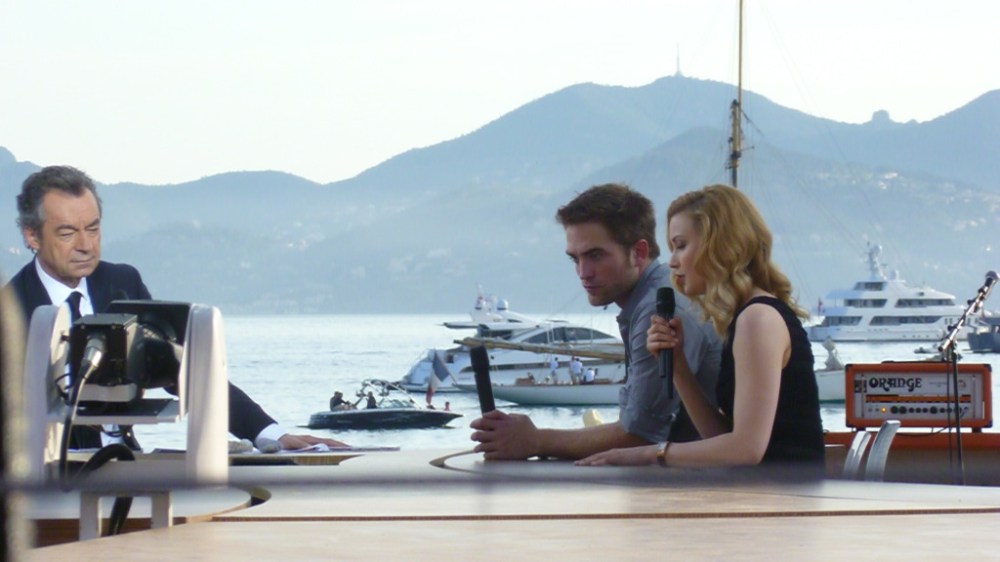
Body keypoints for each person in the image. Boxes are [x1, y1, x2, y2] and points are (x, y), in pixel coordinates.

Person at [5, 165, 347, 451]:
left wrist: (270, 434)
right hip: (41, 481)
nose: (85, 245)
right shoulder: (9, 310)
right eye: (67, 233)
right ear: (32, 236)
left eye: (93, 229)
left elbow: (186, 372)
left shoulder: (122, 282)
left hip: (126, 467)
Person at [577, 184, 825, 473]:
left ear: (720, 246)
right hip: (763, 491)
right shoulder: (746, 318)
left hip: (786, 496)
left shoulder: (758, 319)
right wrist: (679, 368)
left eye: (681, 245)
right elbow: (722, 438)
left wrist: (649, 453)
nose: (672, 262)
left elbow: (746, 449)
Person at [470, 183, 722, 460]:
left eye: (595, 256)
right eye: (575, 259)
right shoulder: (655, 296)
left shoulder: (657, 309)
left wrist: (535, 440)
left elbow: (641, 434)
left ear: (638, 252)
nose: (583, 272)